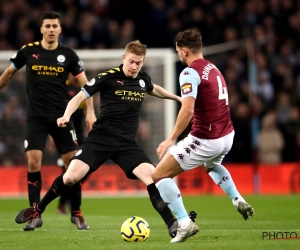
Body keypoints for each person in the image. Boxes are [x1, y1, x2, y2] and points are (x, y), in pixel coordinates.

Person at [15, 40, 196, 238]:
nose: (135, 67)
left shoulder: (143, 78)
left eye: (139, 63)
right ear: (124, 58)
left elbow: (154, 89)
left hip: (127, 144)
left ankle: (173, 223)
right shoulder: (107, 77)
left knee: (154, 178)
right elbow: (79, 97)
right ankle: (37, 210)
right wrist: (66, 116)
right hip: (100, 139)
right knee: (70, 177)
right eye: (132, 62)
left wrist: (178, 98)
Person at [151, 29, 255, 243]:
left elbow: (188, 110)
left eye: (179, 51)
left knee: (159, 175)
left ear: (185, 50)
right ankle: (237, 199)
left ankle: (184, 222)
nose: (179, 55)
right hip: (227, 135)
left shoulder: (189, 72)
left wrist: (170, 139)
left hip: (206, 138)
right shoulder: (213, 68)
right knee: (210, 165)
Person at [0, 11, 96, 231]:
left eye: (55, 26)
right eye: (48, 26)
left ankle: (77, 213)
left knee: (73, 165)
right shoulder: (28, 51)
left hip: (61, 116)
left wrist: (90, 111)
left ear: (60, 30)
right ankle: (35, 214)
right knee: (33, 162)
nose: (51, 29)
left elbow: (86, 86)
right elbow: (8, 74)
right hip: (35, 117)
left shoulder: (68, 55)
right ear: (41, 29)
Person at [57, 74, 87, 215]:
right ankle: (63, 204)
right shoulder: (64, 86)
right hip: (66, 133)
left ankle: (67, 199)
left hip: (80, 135)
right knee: (68, 171)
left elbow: (86, 110)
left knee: (83, 170)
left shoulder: (83, 88)